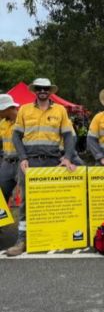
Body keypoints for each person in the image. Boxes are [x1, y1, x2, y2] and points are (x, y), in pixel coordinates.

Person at [8, 78, 76, 256]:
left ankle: (52, 237)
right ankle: (22, 240)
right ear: (35, 91)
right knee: (26, 203)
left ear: (50, 91)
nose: (43, 91)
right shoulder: (24, 109)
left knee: (54, 201)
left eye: (46, 88)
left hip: (53, 161)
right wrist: (22, 157)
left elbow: (69, 136)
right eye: (39, 88)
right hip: (30, 162)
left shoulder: (60, 110)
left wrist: (67, 157)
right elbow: (16, 136)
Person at [0, 94, 20, 205]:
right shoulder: (3, 123)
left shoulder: (23, 121)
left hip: (22, 163)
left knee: (26, 194)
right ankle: (2, 221)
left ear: (6, 109)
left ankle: (24, 221)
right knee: (1, 193)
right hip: (6, 163)